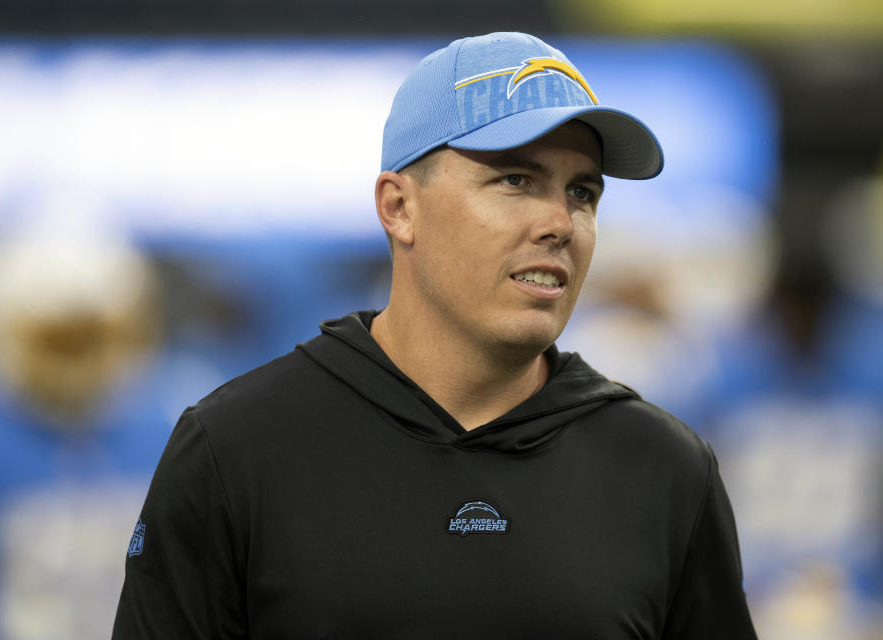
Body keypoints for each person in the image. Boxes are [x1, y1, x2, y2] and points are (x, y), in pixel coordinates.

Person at [112, 32, 757, 638]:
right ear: (399, 207)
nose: (560, 222)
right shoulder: (236, 449)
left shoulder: (666, 471)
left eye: (583, 192)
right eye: (515, 180)